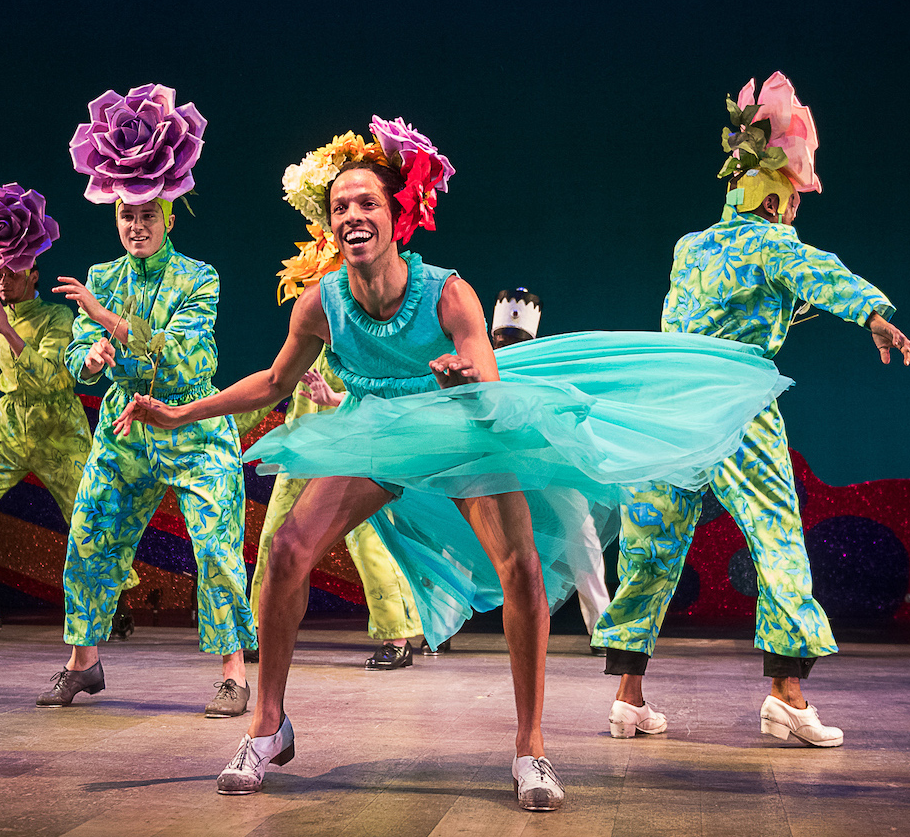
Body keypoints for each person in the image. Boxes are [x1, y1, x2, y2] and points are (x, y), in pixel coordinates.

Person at [119, 118, 790, 810]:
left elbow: (492, 395)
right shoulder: (321, 303)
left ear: (395, 215)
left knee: (522, 566)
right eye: (341, 206)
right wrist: (177, 413)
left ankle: (530, 748)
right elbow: (271, 383)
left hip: (464, 428)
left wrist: (462, 384)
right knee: (287, 548)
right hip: (378, 431)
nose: (353, 214)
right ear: (330, 225)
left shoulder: (447, 293)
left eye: (367, 203)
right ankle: (269, 726)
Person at [591, 73, 910, 748]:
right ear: (775, 198)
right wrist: (876, 316)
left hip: (667, 397)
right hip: (734, 399)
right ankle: (787, 698)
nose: (798, 209)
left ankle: (628, 698)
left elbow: (754, 297)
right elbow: (822, 274)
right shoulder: (774, 244)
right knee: (776, 539)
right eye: (795, 197)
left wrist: (797, 307)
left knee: (651, 543)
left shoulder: (690, 246)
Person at [43, 188, 256, 715]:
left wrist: (106, 319)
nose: (136, 226)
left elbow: (179, 357)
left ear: (168, 221)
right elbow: (75, 355)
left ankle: (234, 673)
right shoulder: (103, 276)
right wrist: (89, 359)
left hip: (192, 422)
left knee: (214, 548)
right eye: (127, 216)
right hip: (124, 427)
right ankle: (83, 663)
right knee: (90, 536)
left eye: (147, 216)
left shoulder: (199, 277)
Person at [0, 183, 92, 640]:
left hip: (57, 424)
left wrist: (7, 328)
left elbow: (51, 378)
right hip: (9, 424)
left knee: (88, 514)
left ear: (33, 275)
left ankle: (112, 604)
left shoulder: (56, 319)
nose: (3, 280)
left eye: (13, 272)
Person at [250, 355, 428, 670]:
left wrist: (333, 400)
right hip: (301, 448)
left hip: (351, 448)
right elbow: (275, 381)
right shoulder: (310, 331)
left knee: (368, 539)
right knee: (275, 537)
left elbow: (381, 397)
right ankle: (260, 630)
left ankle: (397, 637)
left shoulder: (358, 334)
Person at [489, 287, 609, 649]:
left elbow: (566, 405)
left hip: (543, 461)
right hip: (493, 461)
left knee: (581, 529)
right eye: (503, 338)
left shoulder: (543, 368)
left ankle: (602, 627)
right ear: (493, 337)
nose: (509, 344)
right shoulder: (480, 363)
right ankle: (445, 624)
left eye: (518, 337)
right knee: (464, 532)